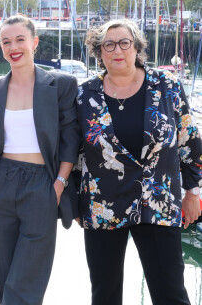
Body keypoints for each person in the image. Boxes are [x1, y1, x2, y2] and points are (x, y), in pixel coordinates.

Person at [78, 18, 202, 305]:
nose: (117, 50)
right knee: (105, 295)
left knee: (170, 293)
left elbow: (190, 140)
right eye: (108, 44)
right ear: (100, 51)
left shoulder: (166, 84)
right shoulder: (85, 95)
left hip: (158, 202)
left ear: (137, 47)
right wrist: (75, 201)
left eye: (124, 42)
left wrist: (193, 192)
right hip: (102, 206)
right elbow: (76, 153)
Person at [0, 14, 79, 305]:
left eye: (20, 39)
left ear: (34, 42)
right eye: (6, 41)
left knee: (26, 283)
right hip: (1, 182)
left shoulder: (61, 84)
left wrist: (59, 184)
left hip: (43, 185)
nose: (14, 46)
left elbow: (71, 138)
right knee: (3, 280)